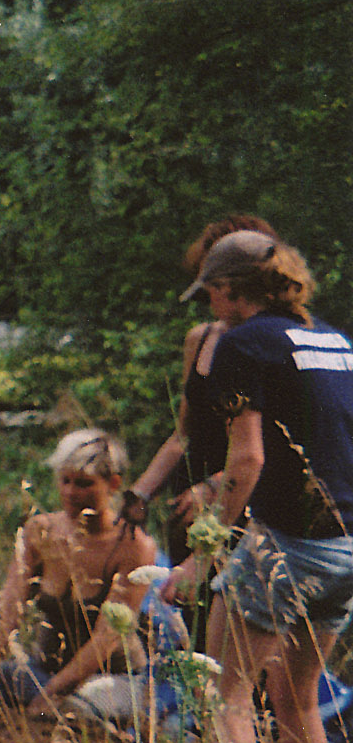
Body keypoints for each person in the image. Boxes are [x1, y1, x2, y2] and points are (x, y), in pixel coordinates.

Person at [159, 234, 353, 743]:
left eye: (211, 293)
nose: (211, 308)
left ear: (230, 289)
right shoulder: (333, 340)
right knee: (297, 700)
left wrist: (200, 555)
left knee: (227, 698)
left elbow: (247, 458)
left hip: (287, 546)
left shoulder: (243, 345)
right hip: (346, 544)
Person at [0, 430, 173, 719]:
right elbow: (8, 609)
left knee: (73, 712)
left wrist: (53, 694)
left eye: (83, 483)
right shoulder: (40, 531)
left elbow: (108, 636)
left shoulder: (133, 545)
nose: (70, 492)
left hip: (112, 681)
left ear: (113, 484)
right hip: (43, 671)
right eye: (65, 481)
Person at [124, 216, 279, 578]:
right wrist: (139, 494)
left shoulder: (276, 340)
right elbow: (183, 433)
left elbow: (279, 442)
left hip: (250, 503)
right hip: (190, 504)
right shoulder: (201, 338)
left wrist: (215, 487)